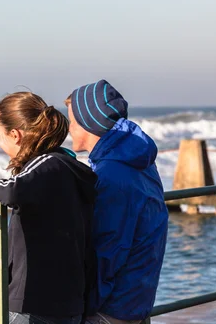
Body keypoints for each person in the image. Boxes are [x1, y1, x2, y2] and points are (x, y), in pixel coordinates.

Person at [0, 92, 97, 324]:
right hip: (68, 301)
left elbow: (13, 189)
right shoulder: (67, 166)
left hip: (33, 302)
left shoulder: (46, 164)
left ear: (15, 135)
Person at [65, 79, 168, 324]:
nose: (68, 128)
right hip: (137, 300)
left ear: (88, 122)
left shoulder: (111, 174)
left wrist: (85, 307)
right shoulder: (136, 160)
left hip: (112, 310)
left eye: (71, 121)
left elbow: (108, 249)